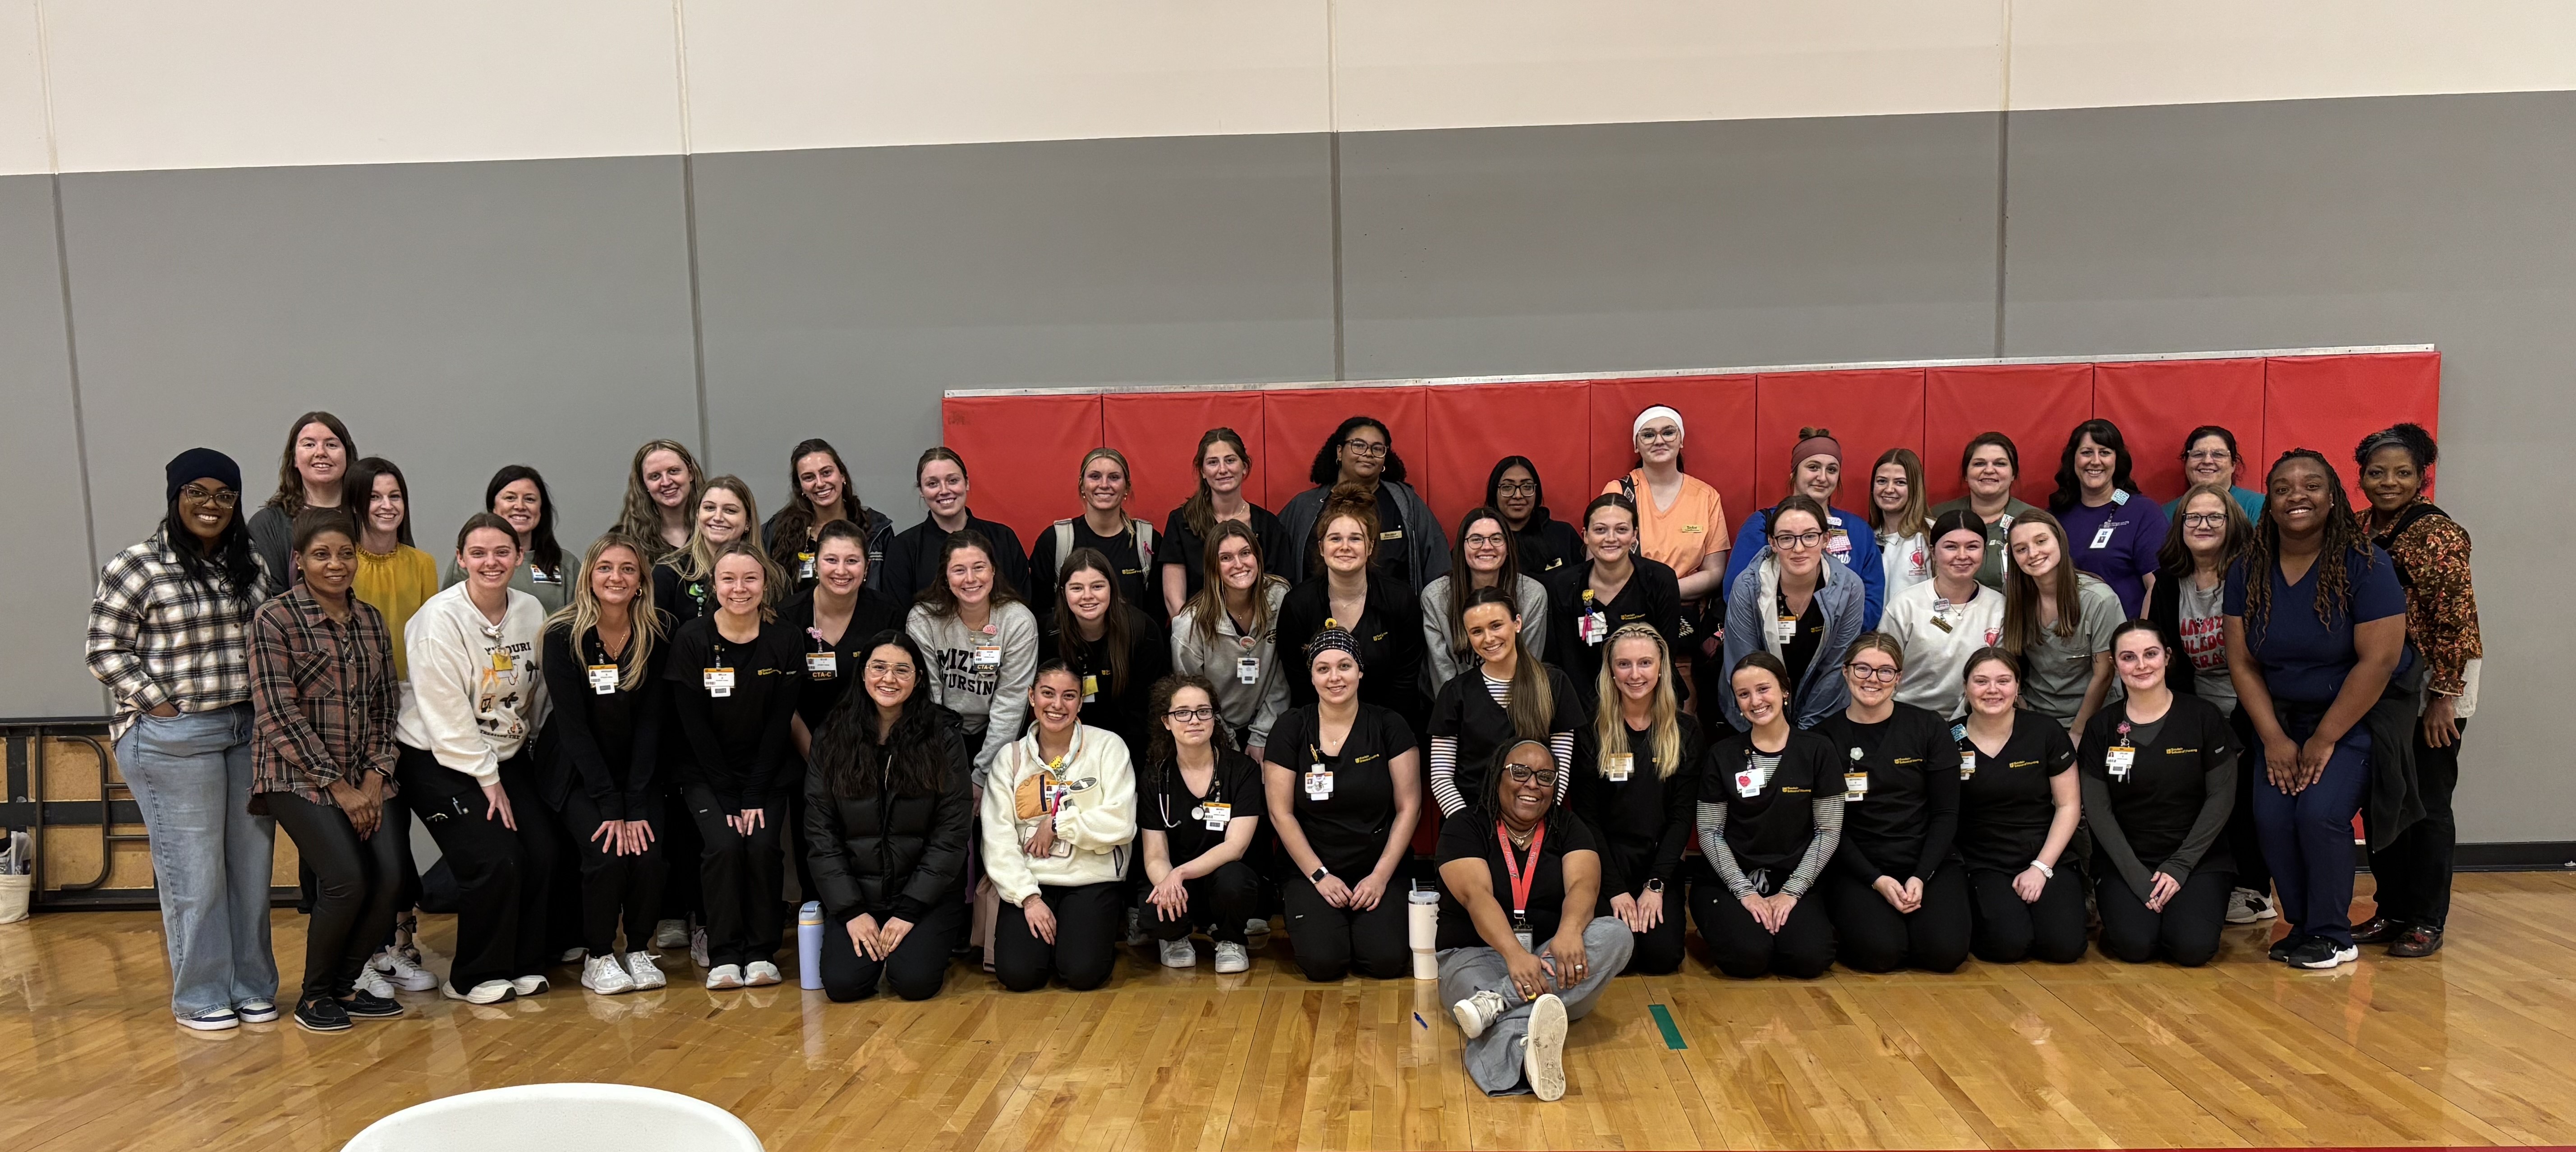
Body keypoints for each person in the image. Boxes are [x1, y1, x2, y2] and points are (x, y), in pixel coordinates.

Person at [87, 449, 278, 1030]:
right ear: (176, 497)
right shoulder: (138, 564)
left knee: (250, 869)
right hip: (175, 734)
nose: (212, 505)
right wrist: (161, 705)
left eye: (224, 494)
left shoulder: (250, 564)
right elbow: (104, 648)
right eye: (198, 492)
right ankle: (200, 994)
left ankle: (250, 985)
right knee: (195, 873)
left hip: (244, 730)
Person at [2226, 450, 2406, 971]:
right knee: (2272, 815)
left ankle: (2334, 932)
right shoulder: (2248, 568)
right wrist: (2276, 739)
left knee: (2320, 813)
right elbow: (2241, 662)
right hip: (2279, 717)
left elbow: (2380, 660)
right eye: (2282, 487)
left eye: (2310, 485)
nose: (2296, 495)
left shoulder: (2367, 564)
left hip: (2352, 714)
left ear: (2333, 497)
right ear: (2269, 501)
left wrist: (2324, 738)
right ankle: (2303, 925)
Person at [247, 509, 404, 1033]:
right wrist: (338, 785)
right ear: (299, 561)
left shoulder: (372, 620)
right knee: (345, 877)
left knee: (392, 878)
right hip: (296, 776)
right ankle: (314, 997)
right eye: (321, 554)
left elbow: (385, 707)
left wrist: (374, 779)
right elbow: (276, 712)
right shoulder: (274, 618)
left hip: (365, 777)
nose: (335, 564)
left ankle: (344, 984)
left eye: (344, 553)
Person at [392, 512, 559, 1004]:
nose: (492, 561)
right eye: (479, 553)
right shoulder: (437, 619)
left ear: (519, 557)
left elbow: (539, 689)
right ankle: (474, 975)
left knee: (545, 851)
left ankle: (525, 961)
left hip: (504, 753)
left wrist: (523, 753)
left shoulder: (530, 611)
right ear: (461, 559)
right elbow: (445, 715)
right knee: (495, 858)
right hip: (437, 755)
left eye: (502, 552)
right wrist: (489, 779)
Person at [1439, 739, 1631, 1102]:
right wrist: (1513, 955)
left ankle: (1496, 1004)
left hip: (1549, 956)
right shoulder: (1465, 825)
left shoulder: (1568, 825)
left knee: (1617, 934)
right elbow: (1476, 896)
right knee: (1491, 994)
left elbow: (1584, 884)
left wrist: (1570, 930)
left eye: (1545, 776)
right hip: (1477, 956)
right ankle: (1529, 1060)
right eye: (1520, 772)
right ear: (1499, 775)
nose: (1532, 784)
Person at [2353, 423, 2483, 958]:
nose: (2389, 482)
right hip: (2385, 678)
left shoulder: (2438, 534)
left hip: (2435, 679)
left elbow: (2458, 620)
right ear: (2360, 476)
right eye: (2377, 472)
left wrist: (2444, 697)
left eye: (2402, 473)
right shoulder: (2359, 529)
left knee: (2427, 800)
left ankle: (2427, 917)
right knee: (2386, 797)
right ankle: (2392, 909)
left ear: (2422, 477)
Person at [805, 631, 975, 1002]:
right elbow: (821, 832)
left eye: (902, 670)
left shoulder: (943, 735)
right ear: (863, 674)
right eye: (879, 668)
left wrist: (911, 909)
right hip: (859, 894)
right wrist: (850, 910)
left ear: (917, 679)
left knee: (914, 982)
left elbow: (951, 833)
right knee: (844, 985)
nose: (889, 679)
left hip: (925, 895)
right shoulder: (832, 735)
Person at [666, 540, 804, 990]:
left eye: (750, 578)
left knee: (762, 847)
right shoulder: (692, 638)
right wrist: (727, 795)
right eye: (729, 578)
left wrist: (752, 794)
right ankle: (725, 952)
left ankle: (762, 951)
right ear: (714, 585)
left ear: (765, 584)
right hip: (707, 774)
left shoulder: (784, 638)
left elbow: (779, 722)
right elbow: (692, 727)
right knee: (724, 846)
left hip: (766, 774)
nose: (739, 588)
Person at [539, 534, 672, 996]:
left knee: (649, 853)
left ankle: (638, 947)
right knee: (606, 853)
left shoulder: (658, 632)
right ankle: (598, 954)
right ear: (589, 577)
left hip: (638, 769)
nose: (616, 577)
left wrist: (634, 801)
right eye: (605, 568)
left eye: (628, 569)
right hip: (578, 772)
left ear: (641, 581)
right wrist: (610, 804)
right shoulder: (562, 634)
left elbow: (653, 723)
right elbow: (574, 729)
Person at [2146, 483, 2274, 927]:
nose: (2202, 526)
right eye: (2192, 518)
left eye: (2213, 517)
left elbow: (2264, 655)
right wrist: (2191, 719)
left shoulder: (2253, 573)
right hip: (2196, 703)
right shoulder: (2170, 578)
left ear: (2233, 522)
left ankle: (2256, 889)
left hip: (2254, 702)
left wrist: (2236, 724)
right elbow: (2167, 654)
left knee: (2245, 796)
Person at [1263, 629, 1423, 982]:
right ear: (1311, 676)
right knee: (1324, 965)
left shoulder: (1389, 725)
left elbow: (1410, 807)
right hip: (1313, 866)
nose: (1335, 677)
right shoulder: (1291, 727)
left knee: (1385, 963)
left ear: (1360, 671)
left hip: (1379, 864)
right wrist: (1319, 875)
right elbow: (1280, 812)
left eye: (1344, 666)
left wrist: (1380, 877)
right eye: (1323, 669)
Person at [2080, 623, 2239, 967]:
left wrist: (2181, 865)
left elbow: (2221, 798)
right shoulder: (2102, 727)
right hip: (2127, 860)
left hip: (2196, 859)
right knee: (2136, 945)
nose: (2141, 665)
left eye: (2151, 654)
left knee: (2191, 949)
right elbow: (2098, 810)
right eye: (2128, 657)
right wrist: (2137, 877)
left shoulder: (2203, 717)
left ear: (2167, 657)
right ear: (2115, 663)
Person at [1812, 633, 1969, 974]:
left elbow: (1946, 813)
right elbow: (1827, 826)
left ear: (1899, 678)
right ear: (1845, 671)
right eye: (1863, 668)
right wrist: (1876, 878)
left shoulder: (1929, 727)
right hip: (1858, 865)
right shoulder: (1823, 739)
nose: (1873, 679)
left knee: (1944, 954)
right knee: (1880, 954)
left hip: (1928, 860)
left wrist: (1921, 875)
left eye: (1885, 671)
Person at [980, 662, 1139, 992]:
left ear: (1080, 702)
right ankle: (1051, 942)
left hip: (1091, 877)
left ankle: (1073, 942)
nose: (1057, 705)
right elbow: (997, 838)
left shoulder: (1109, 747)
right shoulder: (1009, 759)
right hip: (1031, 879)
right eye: (1047, 694)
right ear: (1031, 697)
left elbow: (1122, 822)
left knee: (1083, 973)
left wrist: (1057, 824)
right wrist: (1027, 898)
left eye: (1069, 696)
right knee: (1018, 976)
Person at [1692, 653, 1843, 979]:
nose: (1755, 701)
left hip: (1794, 880)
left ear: (1785, 690)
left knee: (1809, 959)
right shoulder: (1722, 754)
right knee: (1748, 958)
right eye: (1744, 694)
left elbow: (1828, 832)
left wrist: (1791, 892)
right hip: (1728, 881)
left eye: (1764, 689)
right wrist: (1745, 893)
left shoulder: (1818, 750)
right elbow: (1710, 831)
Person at [1567, 624, 1703, 975]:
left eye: (1645, 663)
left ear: (1661, 668)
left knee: (1661, 959)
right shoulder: (1590, 730)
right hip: (1604, 863)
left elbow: (1681, 816)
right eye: (1624, 664)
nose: (1635, 674)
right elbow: (1587, 818)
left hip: (1658, 865)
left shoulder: (1685, 731)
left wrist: (1656, 885)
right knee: (1620, 961)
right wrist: (1613, 889)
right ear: (1611, 672)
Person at [1954, 648, 2084, 964]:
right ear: (1966, 687)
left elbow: (2069, 805)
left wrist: (2041, 867)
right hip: (1983, 862)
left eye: (2003, 680)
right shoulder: (1949, 738)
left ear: (2018, 686)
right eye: (1981, 681)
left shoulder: (2045, 731)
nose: (1992, 690)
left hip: (2044, 854)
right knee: (2007, 945)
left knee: (2064, 948)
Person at [1274, 485, 1430, 734]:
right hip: (1320, 729)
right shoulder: (1298, 605)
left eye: (1355, 539)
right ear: (1322, 548)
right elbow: (1301, 686)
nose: (1345, 547)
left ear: (1370, 548)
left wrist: (1377, 733)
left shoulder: (1401, 600)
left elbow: (1405, 681)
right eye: (1335, 539)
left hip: (1390, 728)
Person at [1136, 675, 1265, 973]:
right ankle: (1175, 937)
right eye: (1182, 712)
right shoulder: (1156, 777)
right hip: (1178, 883)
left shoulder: (1241, 769)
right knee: (1152, 904)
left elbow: (1236, 846)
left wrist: (1180, 873)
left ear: (1213, 718)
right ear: (1167, 722)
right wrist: (1168, 881)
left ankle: (1231, 938)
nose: (1194, 720)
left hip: (1219, 878)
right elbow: (1155, 854)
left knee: (1236, 880)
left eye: (1203, 711)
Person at [1429, 586, 1581, 818]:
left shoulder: (1554, 684)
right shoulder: (1454, 692)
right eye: (1477, 631)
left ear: (1517, 623)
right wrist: (1469, 827)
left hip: (1536, 821)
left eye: (1496, 625)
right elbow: (1441, 778)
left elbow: (1560, 771)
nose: (1488, 639)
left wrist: (1533, 821)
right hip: (1472, 820)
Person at [1717, 495, 1865, 732]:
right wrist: (1774, 732)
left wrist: (1804, 736)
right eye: (1786, 538)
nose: (1798, 548)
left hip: (1821, 715)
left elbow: (1836, 668)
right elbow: (1744, 667)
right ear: (1772, 543)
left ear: (1825, 540)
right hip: (1754, 714)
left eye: (1809, 536)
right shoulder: (1747, 587)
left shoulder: (1850, 588)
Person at [907, 530, 1042, 782]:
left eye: (979, 568)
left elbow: (1011, 704)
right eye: (959, 570)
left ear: (993, 570)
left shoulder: (1017, 621)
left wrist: (982, 776)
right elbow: (928, 695)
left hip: (998, 736)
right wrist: (941, 766)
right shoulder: (923, 619)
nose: (970, 579)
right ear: (945, 577)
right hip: (939, 733)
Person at [1722, 428, 1885, 628]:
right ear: (1794, 472)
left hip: (1842, 647)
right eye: (1813, 467)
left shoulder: (1858, 531)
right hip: (1772, 642)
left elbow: (1872, 600)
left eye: (1832, 470)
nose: (1823, 477)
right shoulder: (1763, 523)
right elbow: (1736, 591)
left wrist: (1836, 637)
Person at [1276, 417, 1448, 588]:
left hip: (1395, 612)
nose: (1368, 453)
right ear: (1339, 452)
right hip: (1317, 612)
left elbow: (1438, 567)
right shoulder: (1304, 506)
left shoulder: (1407, 503)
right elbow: (1277, 568)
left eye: (1377, 448)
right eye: (1359, 445)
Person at [1169, 522, 1291, 763]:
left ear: (1257, 556)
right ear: (1213, 567)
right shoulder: (1190, 624)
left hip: (1270, 724)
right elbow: (1194, 696)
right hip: (1213, 731)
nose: (1239, 564)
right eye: (1226, 558)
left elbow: (1282, 674)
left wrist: (1262, 735)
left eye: (1246, 553)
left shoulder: (1280, 596)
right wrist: (1227, 745)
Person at [1544, 494, 1683, 697]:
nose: (1611, 538)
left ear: (1635, 535)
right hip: (1587, 698)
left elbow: (1666, 655)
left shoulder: (1660, 579)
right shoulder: (1566, 585)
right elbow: (1570, 662)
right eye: (1600, 530)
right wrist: (1597, 715)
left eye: (1622, 530)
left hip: (1651, 694)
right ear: (1585, 535)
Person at [1040, 547, 1173, 755]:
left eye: (1097, 586)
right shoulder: (1050, 633)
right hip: (1069, 741)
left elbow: (1148, 709)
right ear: (1063, 593)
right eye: (1076, 588)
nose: (1087, 596)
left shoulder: (1142, 631)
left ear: (1112, 588)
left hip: (1132, 743)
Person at [2002, 509, 2121, 737]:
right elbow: (2010, 658)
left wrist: (2077, 733)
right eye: (2021, 549)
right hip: (2034, 713)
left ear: (2060, 540)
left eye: (2041, 541)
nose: (2033, 553)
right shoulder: (2014, 595)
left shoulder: (2099, 599)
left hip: (2091, 717)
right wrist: (2020, 704)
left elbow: (2104, 674)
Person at [1877, 509, 2005, 718]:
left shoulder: (1999, 607)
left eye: (1972, 547)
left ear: (1984, 552)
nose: (1962, 556)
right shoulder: (1905, 604)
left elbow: (1998, 678)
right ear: (1934, 553)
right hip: (1906, 717)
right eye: (1951, 547)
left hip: (1974, 719)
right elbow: (1882, 670)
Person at [1160, 428, 1296, 615]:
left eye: (1230, 460)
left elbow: (1280, 592)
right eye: (1213, 463)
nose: (1223, 470)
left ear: (1245, 467)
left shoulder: (1269, 526)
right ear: (1203, 472)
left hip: (1258, 635)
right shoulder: (1181, 522)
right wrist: (1194, 637)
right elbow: (1174, 600)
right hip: (1199, 634)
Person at [1605, 406, 1729, 606]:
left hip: (1686, 616)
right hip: (1630, 608)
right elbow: (1598, 561)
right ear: (1637, 445)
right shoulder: (1618, 492)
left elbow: (1714, 572)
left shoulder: (1706, 497)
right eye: (1648, 435)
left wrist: (1665, 592)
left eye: (1669, 433)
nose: (1659, 441)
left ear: (1681, 441)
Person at [2048, 419, 2169, 619]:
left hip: (2126, 639)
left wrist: (2142, 639)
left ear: (2117, 460)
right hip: (2067, 638)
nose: (2096, 461)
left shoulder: (2143, 512)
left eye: (2105, 452)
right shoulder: (2054, 517)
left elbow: (2157, 586)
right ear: (2073, 460)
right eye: (2087, 452)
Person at [1422, 506, 1551, 692]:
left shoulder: (1532, 595)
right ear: (1462, 547)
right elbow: (1444, 679)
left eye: (1496, 539)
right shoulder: (1436, 598)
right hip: (1458, 711)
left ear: (1508, 547)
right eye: (1476, 540)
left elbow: (1527, 668)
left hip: (1516, 706)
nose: (1487, 546)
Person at [882, 448, 1032, 607]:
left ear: (967, 483)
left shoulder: (1003, 539)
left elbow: (1023, 604)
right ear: (921, 491)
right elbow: (897, 617)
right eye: (933, 484)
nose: (944, 491)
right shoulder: (903, 548)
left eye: (953, 481)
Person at [1029, 447, 1162, 624]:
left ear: (1126, 487)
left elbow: (1157, 615)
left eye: (1114, 477)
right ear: (1082, 485)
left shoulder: (1148, 541)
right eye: (1095, 477)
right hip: (1071, 649)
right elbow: (1040, 612)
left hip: (1133, 649)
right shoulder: (1055, 541)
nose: (1104, 485)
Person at [345, 458, 438, 680]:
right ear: (354, 506)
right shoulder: (343, 564)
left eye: (395, 496)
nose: (387, 506)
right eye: (374, 498)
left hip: (412, 691)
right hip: (354, 690)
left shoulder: (423, 564)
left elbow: (431, 639)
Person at [764, 438, 893, 595]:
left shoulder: (877, 529)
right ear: (801, 487)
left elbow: (888, 596)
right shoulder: (778, 531)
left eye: (827, 473)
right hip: (795, 619)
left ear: (842, 475)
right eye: (809, 477)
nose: (820, 483)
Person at [248, 412, 355, 595]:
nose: (321, 453)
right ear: (295, 459)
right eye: (309, 445)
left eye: (331, 445)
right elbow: (270, 597)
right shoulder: (269, 524)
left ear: (347, 455)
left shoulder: (368, 516)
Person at [444, 465, 570, 616]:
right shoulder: (470, 562)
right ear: (493, 507)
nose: (520, 506)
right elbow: (450, 614)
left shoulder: (566, 563)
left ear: (541, 509)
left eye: (530, 499)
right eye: (510, 498)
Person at [653, 476, 773, 627]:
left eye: (730, 510)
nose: (717, 518)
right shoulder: (668, 573)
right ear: (697, 515)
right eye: (709, 508)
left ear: (748, 522)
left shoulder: (774, 575)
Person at [1930, 432, 2038, 591]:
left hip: (2015, 614)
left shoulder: (2034, 521)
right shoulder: (1937, 517)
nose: (1989, 470)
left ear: (2014, 473)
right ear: (1966, 474)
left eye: (2000, 464)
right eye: (1979, 464)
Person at [1490, 457, 1586, 579]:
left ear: (1537, 491)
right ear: (1494, 492)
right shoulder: (1482, 539)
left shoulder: (1563, 535)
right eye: (1508, 487)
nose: (1518, 495)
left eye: (1527, 487)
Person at [614, 439, 705, 565]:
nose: (666, 482)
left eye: (673, 471)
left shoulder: (716, 528)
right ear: (644, 484)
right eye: (655, 476)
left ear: (690, 473)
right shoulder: (626, 537)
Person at [1868, 448, 1934, 601]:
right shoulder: (1866, 536)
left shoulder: (1932, 534)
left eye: (1900, 482)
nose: (1889, 489)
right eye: (1882, 481)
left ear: (1915, 488)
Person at [2162, 426, 2266, 523]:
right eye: (2198, 454)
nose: (2207, 461)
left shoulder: (2258, 506)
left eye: (2218, 455)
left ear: (2233, 465)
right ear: (2186, 462)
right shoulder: (2165, 514)